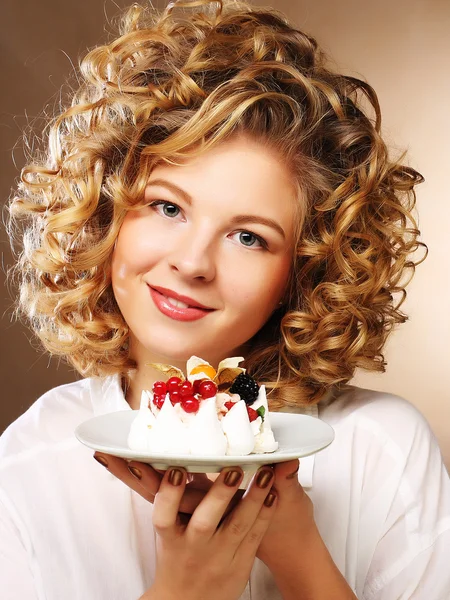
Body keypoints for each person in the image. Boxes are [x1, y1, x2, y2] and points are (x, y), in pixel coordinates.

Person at [2, 0, 449, 598]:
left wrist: (299, 555)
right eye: (167, 207)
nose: (192, 263)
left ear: (306, 271)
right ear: (104, 214)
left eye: (249, 237)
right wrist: (188, 588)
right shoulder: (28, 464)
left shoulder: (382, 448)